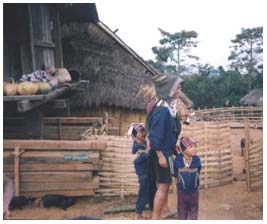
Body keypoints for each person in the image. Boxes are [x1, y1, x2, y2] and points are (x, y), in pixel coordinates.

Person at [146, 73, 183, 219]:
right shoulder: (162, 111)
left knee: (165, 184)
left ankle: (165, 210)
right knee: (163, 186)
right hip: (161, 155)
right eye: (177, 88)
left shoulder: (168, 108)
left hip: (166, 152)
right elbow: (154, 137)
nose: (180, 90)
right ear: (169, 90)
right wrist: (161, 156)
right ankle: (155, 218)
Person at [175, 137, 201, 220]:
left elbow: (199, 169)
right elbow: (176, 171)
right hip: (182, 192)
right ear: (183, 150)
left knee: (194, 209)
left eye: (195, 146)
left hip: (194, 191)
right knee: (182, 211)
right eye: (191, 147)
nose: (194, 149)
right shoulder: (178, 159)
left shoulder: (196, 159)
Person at [130, 123, 151, 220]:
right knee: (143, 193)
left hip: (146, 172)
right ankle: (137, 215)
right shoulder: (136, 146)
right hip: (142, 174)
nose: (143, 133)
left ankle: (141, 213)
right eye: (140, 132)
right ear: (135, 135)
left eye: (143, 131)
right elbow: (137, 160)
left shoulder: (143, 143)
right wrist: (146, 152)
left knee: (147, 192)